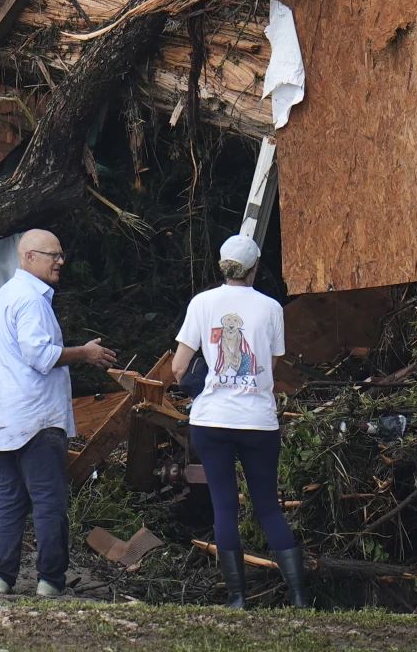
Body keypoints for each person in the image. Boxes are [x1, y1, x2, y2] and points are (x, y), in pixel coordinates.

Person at [171, 234, 309, 608]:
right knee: (267, 506)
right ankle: (298, 596)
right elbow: (273, 365)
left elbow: (179, 367)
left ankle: (237, 597)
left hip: (212, 422)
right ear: (255, 267)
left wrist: (204, 385)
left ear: (222, 265)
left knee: (224, 507)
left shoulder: (202, 303)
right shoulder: (270, 308)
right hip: (258, 422)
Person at [0, 229, 116, 597]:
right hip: (36, 418)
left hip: (4, 416)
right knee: (48, 499)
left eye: (61, 254)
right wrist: (85, 353)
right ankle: (49, 581)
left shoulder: (5, 297)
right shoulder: (31, 300)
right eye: (52, 255)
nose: (60, 261)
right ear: (28, 257)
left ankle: (0, 578)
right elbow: (40, 356)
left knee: (10, 496)